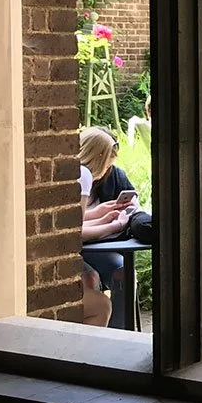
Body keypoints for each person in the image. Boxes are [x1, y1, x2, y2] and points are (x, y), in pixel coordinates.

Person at [80, 127, 137, 327]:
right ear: (100, 158)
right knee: (91, 278)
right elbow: (74, 232)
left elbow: (75, 224)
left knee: (123, 270)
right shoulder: (83, 176)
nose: (108, 170)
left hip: (95, 247)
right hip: (77, 249)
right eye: (107, 163)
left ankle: (121, 330)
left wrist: (103, 215)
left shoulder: (113, 177)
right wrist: (113, 226)